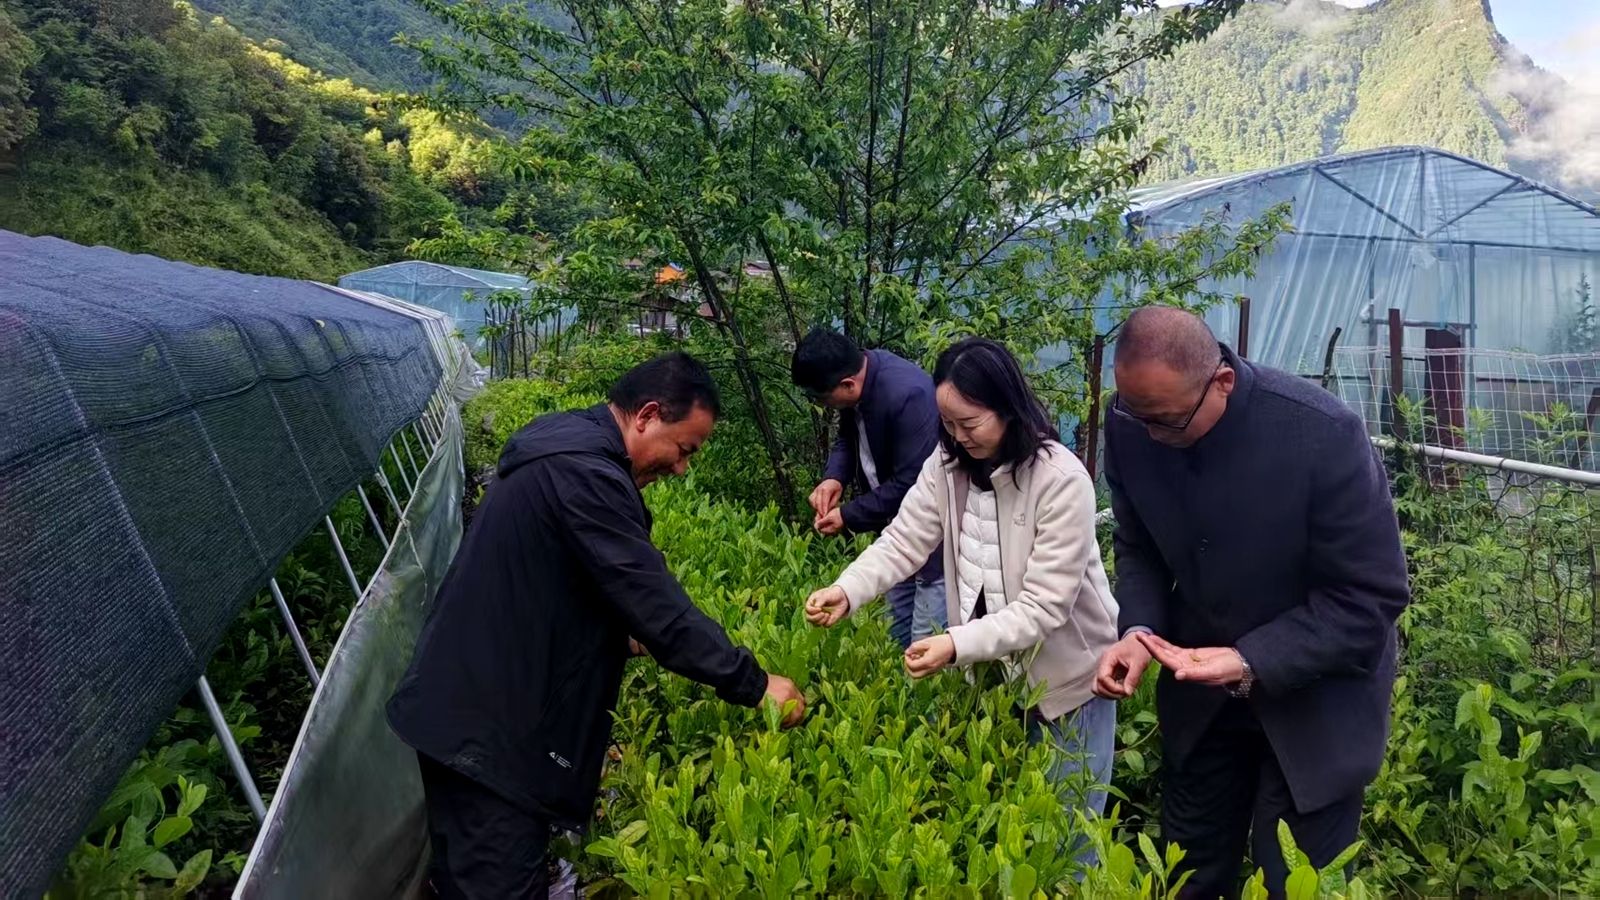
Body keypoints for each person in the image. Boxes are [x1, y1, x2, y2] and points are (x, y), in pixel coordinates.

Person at [387, 352, 806, 899]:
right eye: (684, 450)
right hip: (489, 737)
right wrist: (755, 684)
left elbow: (560, 579)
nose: (681, 468)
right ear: (647, 415)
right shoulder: (585, 474)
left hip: (472, 715)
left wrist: (612, 630)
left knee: (466, 881)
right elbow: (657, 604)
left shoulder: (568, 446)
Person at [1092, 307, 1410, 899]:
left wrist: (1249, 659)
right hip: (1202, 703)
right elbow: (1139, 544)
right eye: (1138, 416)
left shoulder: (1321, 434)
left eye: (1168, 421)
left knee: (1292, 884)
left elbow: (1371, 597)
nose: (1152, 436)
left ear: (1222, 382)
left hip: (1316, 705)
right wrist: (1138, 630)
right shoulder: (1133, 420)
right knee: (1187, 878)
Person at [805, 337, 1119, 820]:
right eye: (947, 424)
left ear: (1008, 409)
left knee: (1069, 830)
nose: (957, 436)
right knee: (1010, 824)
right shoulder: (947, 464)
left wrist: (954, 644)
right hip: (999, 678)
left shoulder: (1060, 480)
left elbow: (1044, 606)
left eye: (969, 424)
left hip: (1069, 682)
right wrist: (848, 589)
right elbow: (904, 539)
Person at [792, 327, 947, 649]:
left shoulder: (908, 396)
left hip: (934, 547)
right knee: (895, 638)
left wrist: (848, 516)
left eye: (822, 398)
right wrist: (834, 478)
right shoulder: (860, 382)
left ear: (848, 384)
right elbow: (848, 437)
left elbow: (912, 485)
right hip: (896, 539)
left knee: (926, 646)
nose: (822, 405)